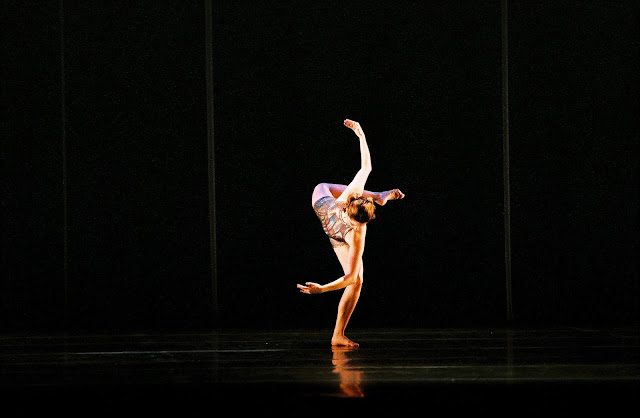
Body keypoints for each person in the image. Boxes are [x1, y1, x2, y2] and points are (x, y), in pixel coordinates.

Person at [297, 119, 405, 347]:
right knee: (324, 186)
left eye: (359, 224)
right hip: (326, 209)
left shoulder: (357, 230)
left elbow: (350, 277)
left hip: (337, 232)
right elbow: (366, 168)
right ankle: (379, 196)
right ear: (347, 208)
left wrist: (322, 289)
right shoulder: (349, 200)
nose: (355, 226)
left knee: (358, 281)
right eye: (354, 222)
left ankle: (338, 335)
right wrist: (360, 134)